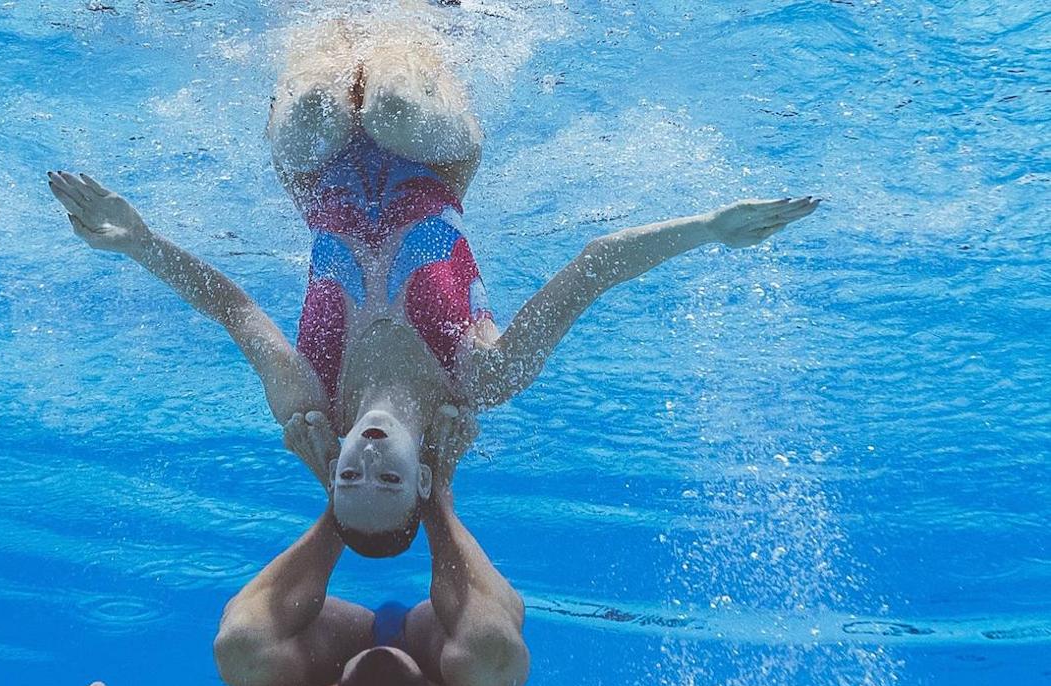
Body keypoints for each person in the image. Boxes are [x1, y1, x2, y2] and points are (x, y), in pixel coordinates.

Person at [47, 19, 820, 559]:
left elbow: (230, 307)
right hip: (434, 164)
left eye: (350, 474)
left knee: (316, 106)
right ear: (422, 476)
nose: (368, 457)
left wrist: (139, 243)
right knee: (394, 103)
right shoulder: (483, 375)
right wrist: (709, 228)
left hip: (315, 180)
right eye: (387, 478)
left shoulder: (306, 396)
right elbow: (594, 266)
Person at [55, 412, 695, 686]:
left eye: (371, 660)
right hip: (434, 655)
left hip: (327, 668)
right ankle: (438, 489)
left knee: (241, 649)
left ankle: (339, 503)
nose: (384, 645)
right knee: (493, 656)